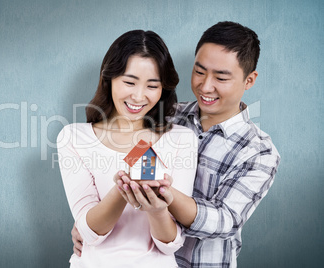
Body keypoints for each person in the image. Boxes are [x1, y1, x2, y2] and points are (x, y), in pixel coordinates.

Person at [72, 21, 281, 267]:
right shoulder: (163, 116)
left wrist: (161, 193)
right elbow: (118, 168)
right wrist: (87, 220)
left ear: (249, 80)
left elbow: (225, 221)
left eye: (221, 77)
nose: (205, 86)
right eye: (199, 71)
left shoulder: (259, 151)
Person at [57, 30, 198, 267]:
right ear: (109, 78)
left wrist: (157, 210)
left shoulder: (181, 139)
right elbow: (88, 233)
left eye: (152, 85)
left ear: (164, 88)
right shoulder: (73, 137)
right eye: (129, 82)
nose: (139, 96)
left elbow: (170, 243)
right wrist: (122, 190)